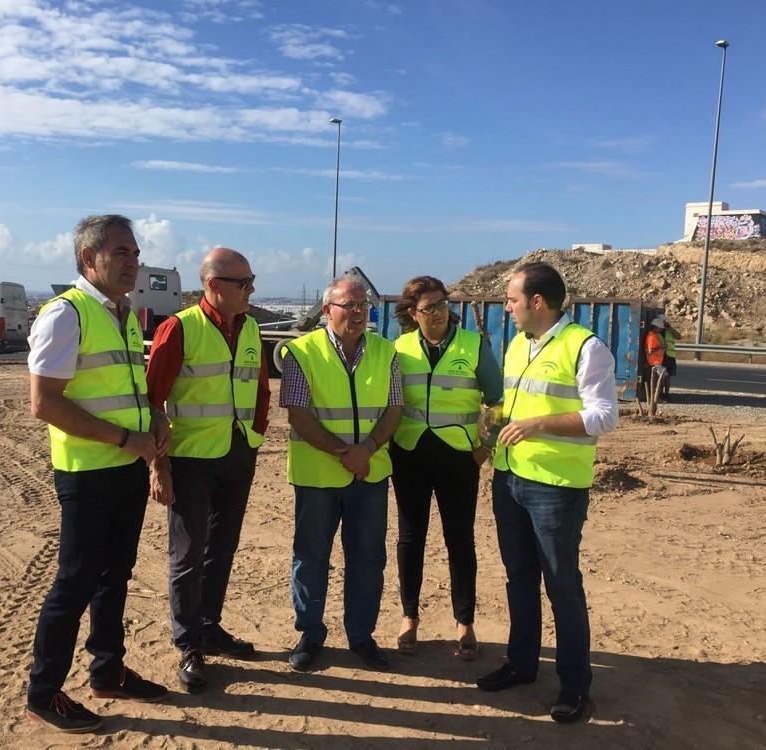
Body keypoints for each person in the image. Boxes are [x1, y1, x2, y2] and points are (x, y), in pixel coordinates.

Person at [25, 214, 170, 733]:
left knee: (115, 575)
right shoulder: (67, 314)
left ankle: (108, 671)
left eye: (136, 254)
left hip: (127, 467)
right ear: (89, 258)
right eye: (121, 253)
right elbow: (44, 403)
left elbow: (124, 388)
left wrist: (151, 418)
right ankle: (43, 693)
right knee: (75, 582)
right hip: (88, 473)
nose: (133, 263)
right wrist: (125, 438)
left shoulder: (123, 314)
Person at [476, 262, 618, 725]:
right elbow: (520, 400)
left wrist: (538, 425)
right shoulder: (519, 342)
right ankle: (521, 664)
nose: (506, 307)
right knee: (519, 578)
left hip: (556, 488)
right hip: (510, 478)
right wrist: (495, 415)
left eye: (511, 299)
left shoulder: (585, 346)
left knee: (562, 586)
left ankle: (574, 686)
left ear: (537, 301)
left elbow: (604, 416)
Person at [146, 247, 270, 694]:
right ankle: (188, 644)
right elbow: (152, 401)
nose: (251, 289)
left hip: (238, 453)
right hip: (191, 459)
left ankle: (209, 626)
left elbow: (260, 389)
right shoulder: (179, 328)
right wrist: (158, 465)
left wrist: (255, 434)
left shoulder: (250, 327)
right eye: (244, 282)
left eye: (252, 281)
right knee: (187, 555)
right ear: (214, 285)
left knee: (222, 547)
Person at [280, 275, 402, 672]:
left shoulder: (386, 351)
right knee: (311, 557)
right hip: (317, 477)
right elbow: (298, 414)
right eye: (349, 305)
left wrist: (367, 449)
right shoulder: (302, 352)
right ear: (327, 310)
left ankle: (361, 636)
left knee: (368, 559)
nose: (358, 312)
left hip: (369, 476)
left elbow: (394, 409)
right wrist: (344, 453)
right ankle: (310, 633)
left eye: (363, 305)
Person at [390, 276, 503, 660]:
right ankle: (409, 617)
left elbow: (498, 401)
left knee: (460, 539)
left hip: (459, 457)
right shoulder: (400, 348)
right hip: (410, 454)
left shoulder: (473, 345)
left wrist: (485, 447)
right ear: (412, 313)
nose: (438, 313)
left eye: (442, 304)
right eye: (429, 308)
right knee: (410, 538)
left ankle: (464, 622)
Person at [644, 315, 668, 402]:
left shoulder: (654, 335)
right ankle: (656, 398)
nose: (661, 330)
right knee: (658, 380)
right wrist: (661, 347)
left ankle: (656, 397)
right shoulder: (651, 337)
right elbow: (650, 350)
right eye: (660, 328)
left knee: (660, 379)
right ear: (655, 327)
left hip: (657, 362)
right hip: (654, 362)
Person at [662, 318, 679, 401]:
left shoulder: (669, 331)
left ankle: (666, 393)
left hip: (671, 356)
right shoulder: (660, 332)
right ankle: (661, 393)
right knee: (663, 376)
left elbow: (679, 336)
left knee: (668, 376)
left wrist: (670, 328)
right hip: (663, 356)